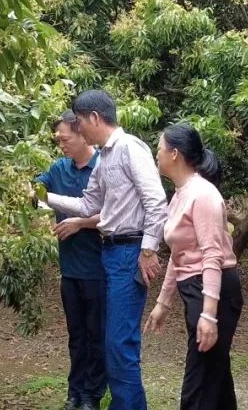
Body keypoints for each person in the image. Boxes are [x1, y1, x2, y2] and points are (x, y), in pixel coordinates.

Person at [45, 90, 168, 410]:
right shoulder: (105, 158)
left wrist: (148, 249)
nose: (78, 130)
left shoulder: (129, 148)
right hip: (111, 254)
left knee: (118, 345)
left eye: (80, 123)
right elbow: (87, 205)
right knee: (116, 344)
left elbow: (156, 201)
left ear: (95, 118)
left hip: (129, 252)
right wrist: (44, 197)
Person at [145, 123, 242, 410]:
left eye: (159, 149)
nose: (157, 155)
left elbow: (212, 257)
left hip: (215, 293)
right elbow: (180, 255)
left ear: (174, 154)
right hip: (196, 291)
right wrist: (163, 302)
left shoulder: (204, 196)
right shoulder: (180, 194)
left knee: (198, 387)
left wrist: (209, 315)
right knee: (216, 379)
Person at [35, 110, 107, 410]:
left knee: (96, 335)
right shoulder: (58, 169)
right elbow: (36, 192)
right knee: (76, 335)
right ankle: (75, 392)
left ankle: (93, 394)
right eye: (58, 140)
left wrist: (80, 223)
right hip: (70, 269)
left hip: (99, 267)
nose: (61, 144)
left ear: (82, 134)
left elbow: (118, 213)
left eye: (65, 138)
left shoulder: (103, 166)